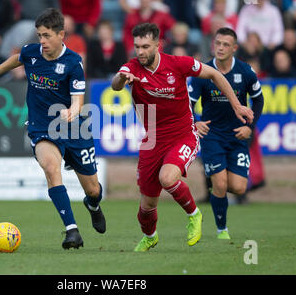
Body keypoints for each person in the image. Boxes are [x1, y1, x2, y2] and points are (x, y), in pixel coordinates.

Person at [111, 23, 254, 251]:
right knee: (147, 205)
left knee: (168, 178)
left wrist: (237, 105)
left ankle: (194, 215)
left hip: (183, 134)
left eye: (145, 46)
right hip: (152, 140)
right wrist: (122, 77)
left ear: (159, 45)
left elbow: (215, 74)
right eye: (137, 46)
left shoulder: (178, 64)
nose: (140, 51)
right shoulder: (131, 67)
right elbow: (116, 85)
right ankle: (150, 237)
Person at [0, 8, 106, 250]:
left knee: (93, 189)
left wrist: (72, 111)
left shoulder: (73, 62)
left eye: (47, 36)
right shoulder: (31, 52)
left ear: (61, 35)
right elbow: (16, 60)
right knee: (50, 166)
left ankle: (93, 205)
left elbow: (78, 99)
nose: (42, 41)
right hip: (42, 127)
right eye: (39, 36)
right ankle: (72, 231)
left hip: (74, 129)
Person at [188, 27, 264, 240]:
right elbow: (188, 104)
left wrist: (250, 126)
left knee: (238, 188)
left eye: (225, 45)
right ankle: (222, 229)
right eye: (217, 43)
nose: (220, 48)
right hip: (212, 135)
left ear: (234, 48)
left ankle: (217, 198)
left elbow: (258, 100)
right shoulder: (202, 73)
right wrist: (196, 122)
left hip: (238, 135)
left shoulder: (245, 71)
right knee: (219, 183)